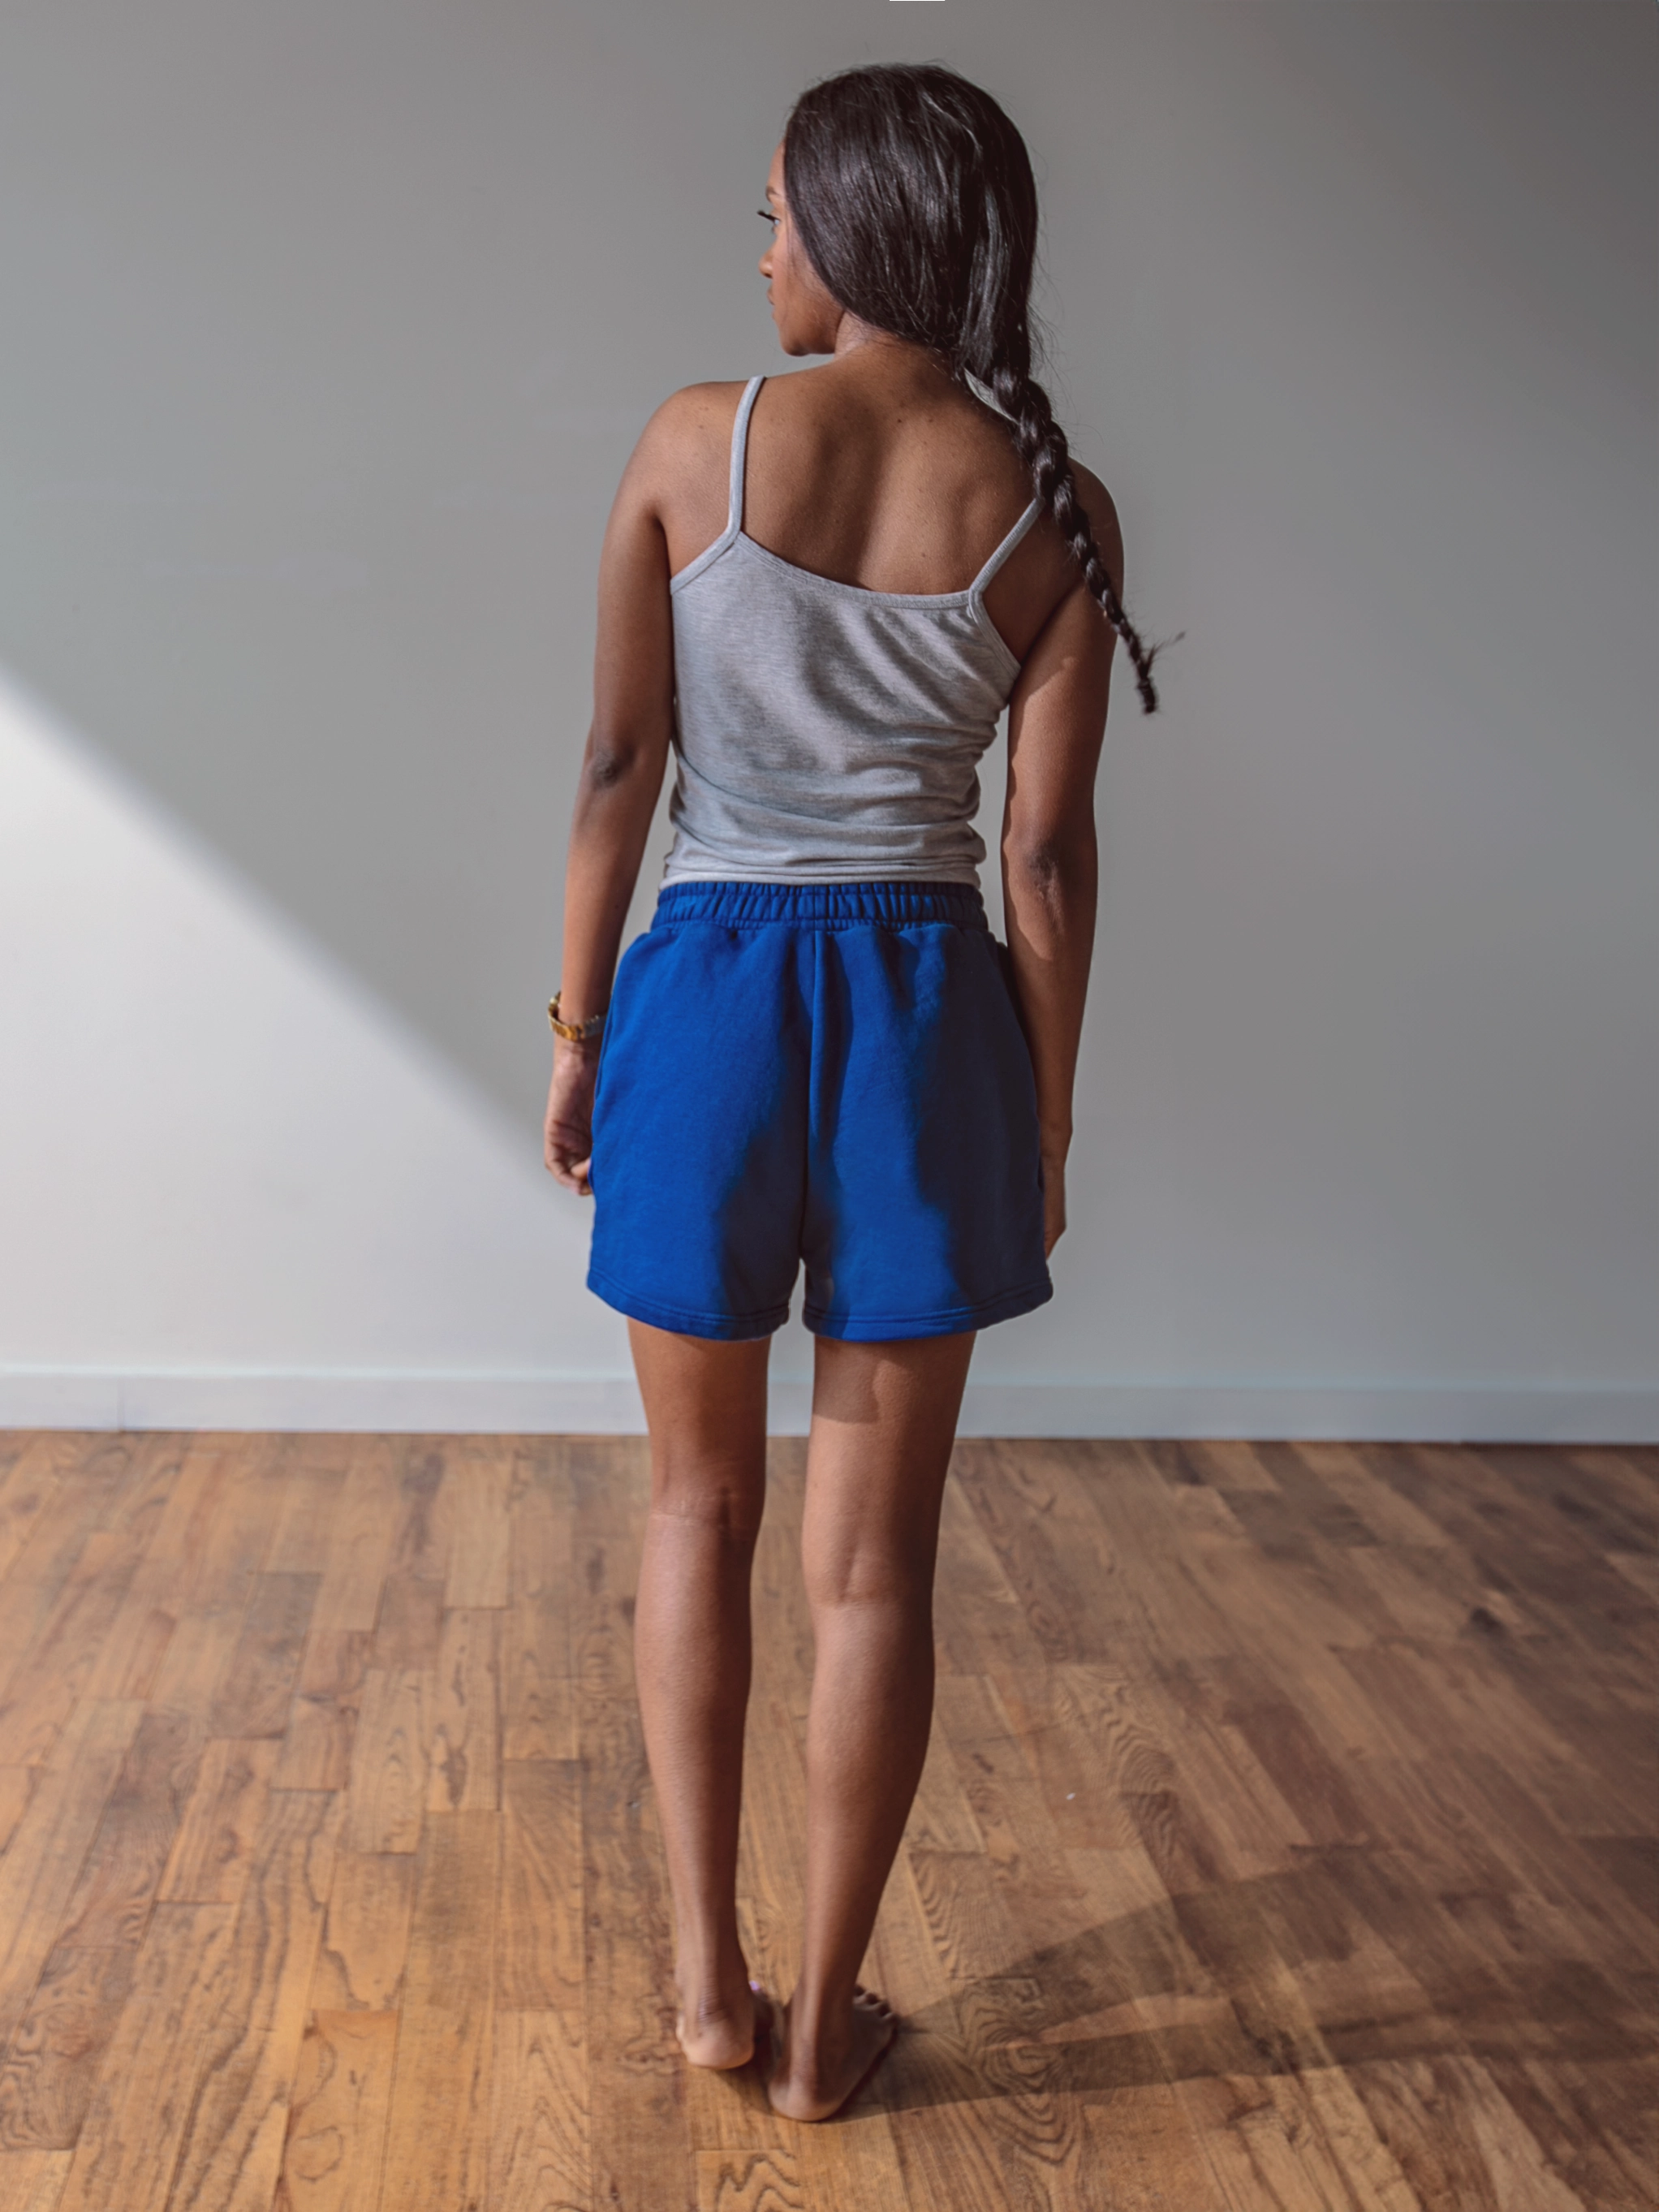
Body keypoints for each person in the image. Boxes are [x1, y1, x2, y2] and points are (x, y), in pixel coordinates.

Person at [544, 61, 1166, 2124]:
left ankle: (707, 1993)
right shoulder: (1050, 506)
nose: (760, 249)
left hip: (707, 1006)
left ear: (853, 226)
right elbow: (1044, 865)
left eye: (778, 216)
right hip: (924, 1023)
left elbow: (620, 774)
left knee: (696, 1511)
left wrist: (575, 1037)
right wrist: (1046, 1124)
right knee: (873, 1567)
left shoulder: (691, 440)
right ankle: (823, 2036)